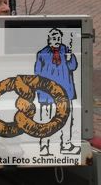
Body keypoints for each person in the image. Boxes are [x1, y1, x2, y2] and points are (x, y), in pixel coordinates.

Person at [34, 27, 79, 155]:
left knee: (66, 120)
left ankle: (66, 145)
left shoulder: (66, 50)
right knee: (46, 121)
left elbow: (73, 67)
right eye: (54, 37)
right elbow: (37, 72)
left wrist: (70, 58)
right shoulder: (42, 53)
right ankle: (44, 146)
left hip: (65, 92)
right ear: (49, 39)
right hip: (47, 94)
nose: (57, 40)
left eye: (59, 37)